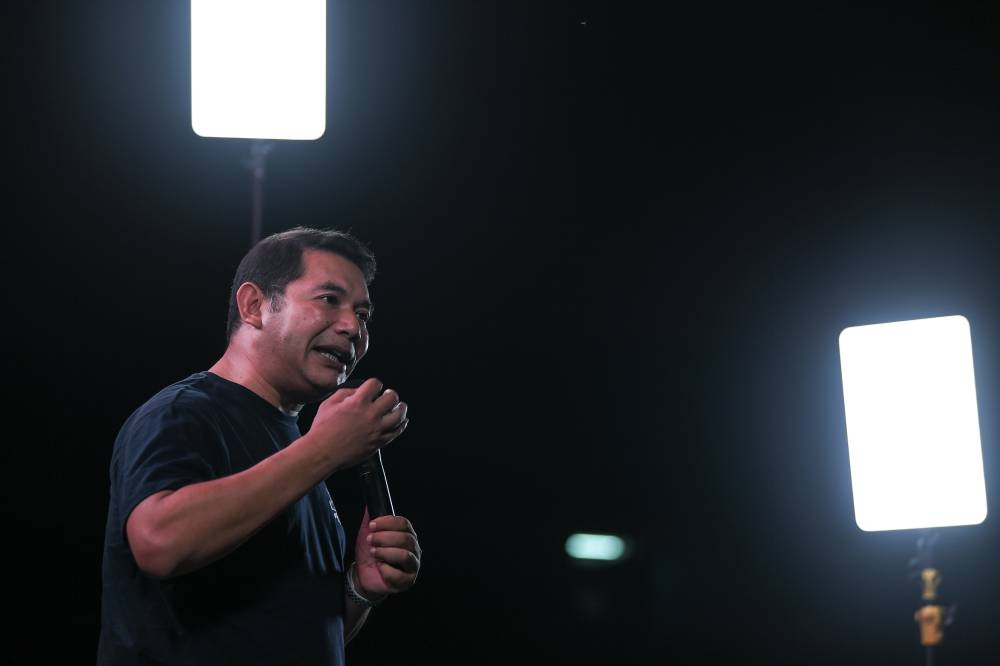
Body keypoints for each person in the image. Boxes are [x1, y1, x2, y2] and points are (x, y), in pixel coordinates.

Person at [97, 227, 420, 665]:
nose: (352, 328)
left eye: (362, 315)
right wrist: (323, 449)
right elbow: (158, 542)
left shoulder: (295, 447)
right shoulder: (183, 413)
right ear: (254, 306)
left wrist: (359, 590)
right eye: (329, 299)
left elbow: (299, 637)